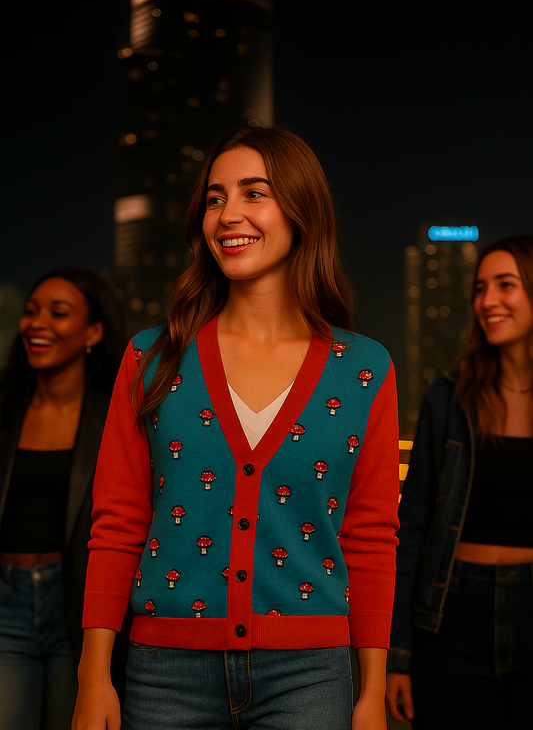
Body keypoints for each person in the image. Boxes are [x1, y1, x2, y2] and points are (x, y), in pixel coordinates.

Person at [72, 126, 400, 730]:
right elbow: (118, 522)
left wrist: (370, 693)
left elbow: (371, 536)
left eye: (255, 193)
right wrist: (95, 676)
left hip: (311, 673)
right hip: (164, 672)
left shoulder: (363, 369)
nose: (229, 215)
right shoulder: (149, 359)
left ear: (302, 210)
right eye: (215, 198)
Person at [386, 235, 533, 729]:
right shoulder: (448, 397)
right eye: (480, 288)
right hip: (452, 617)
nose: (487, 301)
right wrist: (399, 656)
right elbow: (412, 528)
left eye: (505, 285)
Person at [0, 268, 126, 730]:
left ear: (93, 331)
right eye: (31, 312)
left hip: (76, 603)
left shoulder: (115, 412)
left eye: (58, 313)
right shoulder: (5, 405)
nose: (37, 323)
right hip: (7, 601)